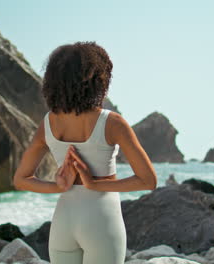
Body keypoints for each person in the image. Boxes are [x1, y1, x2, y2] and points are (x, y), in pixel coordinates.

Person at [13, 41, 157, 264]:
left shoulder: (48, 123)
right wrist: (96, 184)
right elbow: (147, 180)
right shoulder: (112, 123)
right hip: (101, 220)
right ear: (99, 81)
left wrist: (58, 186)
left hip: (63, 221)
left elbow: (21, 180)